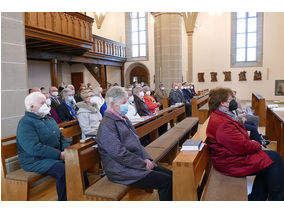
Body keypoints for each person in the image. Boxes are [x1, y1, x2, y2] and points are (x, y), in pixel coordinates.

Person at [206, 87, 284, 201]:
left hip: (229, 157)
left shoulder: (221, 115)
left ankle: (257, 198)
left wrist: (253, 144)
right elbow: (241, 147)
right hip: (231, 162)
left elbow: (238, 142)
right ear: (222, 103)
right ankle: (278, 200)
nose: (233, 100)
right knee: (275, 159)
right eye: (230, 99)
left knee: (268, 160)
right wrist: (258, 145)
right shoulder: (222, 123)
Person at [96, 86, 172, 201]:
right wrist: (142, 163)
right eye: (124, 103)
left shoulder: (123, 118)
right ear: (112, 104)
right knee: (166, 182)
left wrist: (147, 159)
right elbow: (119, 154)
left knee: (171, 175)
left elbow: (137, 142)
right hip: (121, 170)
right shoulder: (107, 125)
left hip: (134, 164)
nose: (127, 106)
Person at [16, 92, 70, 201]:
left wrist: (67, 151)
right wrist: (59, 155)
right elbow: (34, 147)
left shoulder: (48, 119)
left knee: (76, 162)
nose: (46, 105)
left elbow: (61, 137)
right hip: (35, 160)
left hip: (51, 156)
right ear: (32, 107)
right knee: (63, 170)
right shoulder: (25, 123)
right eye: (42, 103)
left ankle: (80, 196)